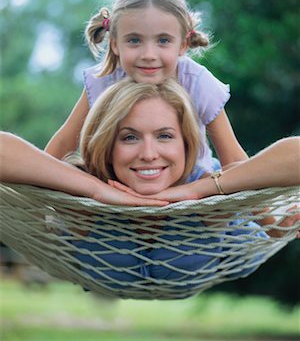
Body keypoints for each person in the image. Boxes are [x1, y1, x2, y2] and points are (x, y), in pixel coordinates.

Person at [1, 79, 299, 292]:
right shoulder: (82, 198)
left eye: (165, 136)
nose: (148, 153)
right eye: (129, 137)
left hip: (217, 220)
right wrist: (96, 190)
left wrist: (197, 192)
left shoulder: (212, 190)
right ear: (108, 146)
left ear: (186, 144)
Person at [45, 0, 248, 182]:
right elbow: (63, 144)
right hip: (123, 179)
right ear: (115, 44)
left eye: (163, 40)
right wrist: (35, 200)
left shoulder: (197, 82)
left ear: (183, 44)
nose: (149, 55)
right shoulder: (103, 80)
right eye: (134, 40)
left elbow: (232, 158)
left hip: (192, 184)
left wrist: (267, 216)